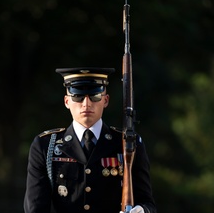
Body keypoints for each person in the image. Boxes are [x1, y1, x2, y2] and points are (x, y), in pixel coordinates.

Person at [24, 67, 156, 213]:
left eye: (95, 96)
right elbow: (35, 208)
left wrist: (141, 210)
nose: (86, 104)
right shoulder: (45, 145)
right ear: (67, 101)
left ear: (105, 100)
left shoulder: (129, 143)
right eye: (78, 96)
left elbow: (147, 202)